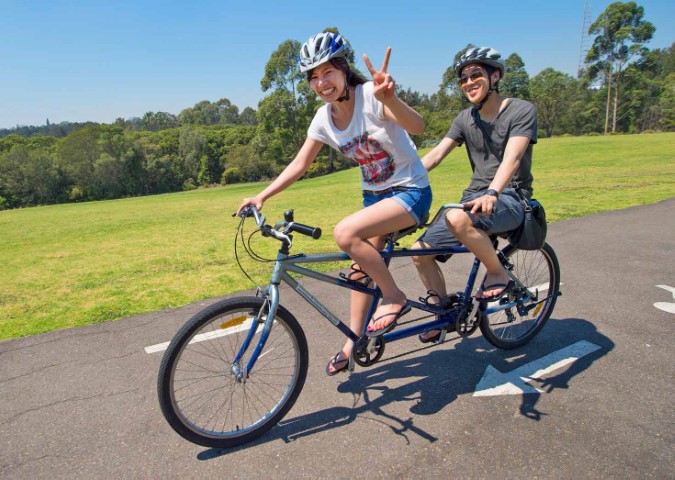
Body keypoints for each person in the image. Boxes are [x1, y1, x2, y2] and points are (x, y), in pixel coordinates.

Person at [237, 32, 432, 374]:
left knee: (345, 233)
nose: (321, 82)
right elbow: (300, 165)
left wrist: (393, 99)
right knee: (360, 273)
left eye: (327, 71)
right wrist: (262, 195)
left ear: (344, 69)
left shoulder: (372, 95)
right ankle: (353, 340)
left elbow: (418, 127)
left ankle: (394, 297)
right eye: (313, 76)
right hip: (374, 198)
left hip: (410, 191)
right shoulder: (323, 119)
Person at [411, 46, 537, 343]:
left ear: (495, 76)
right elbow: (437, 154)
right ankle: (443, 312)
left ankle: (498, 274)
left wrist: (494, 190)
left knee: (456, 217)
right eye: (464, 78)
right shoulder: (465, 118)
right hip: (472, 200)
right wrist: (403, 179)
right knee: (419, 251)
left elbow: (513, 158)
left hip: (511, 196)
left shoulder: (521, 110)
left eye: (476, 75)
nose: (469, 82)